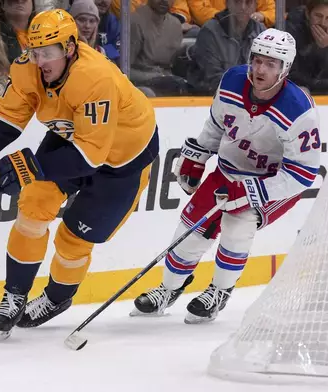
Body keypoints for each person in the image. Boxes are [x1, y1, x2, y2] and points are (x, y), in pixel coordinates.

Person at [0, 9, 159, 342]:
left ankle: (57, 297)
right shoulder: (28, 68)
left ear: (71, 48)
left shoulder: (95, 77)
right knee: (33, 206)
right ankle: (15, 294)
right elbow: (8, 113)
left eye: (49, 53)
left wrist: (17, 167)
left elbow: (90, 155)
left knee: (74, 238)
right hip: (70, 138)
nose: (40, 61)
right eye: (35, 52)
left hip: (122, 161)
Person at [132, 28, 321, 324]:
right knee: (189, 232)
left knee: (238, 222)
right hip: (228, 171)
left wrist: (252, 191)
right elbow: (217, 124)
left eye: (271, 64)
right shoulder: (233, 80)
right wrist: (199, 155)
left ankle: (219, 291)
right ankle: (168, 289)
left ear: (284, 69)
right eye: (257, 60)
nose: (260, 69)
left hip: (272, 182)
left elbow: (303, 173)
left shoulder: (299, 111)